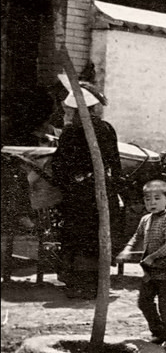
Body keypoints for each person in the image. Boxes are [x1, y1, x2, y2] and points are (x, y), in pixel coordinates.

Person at [50, 81, 123, 299]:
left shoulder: (71, 132)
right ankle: (94, 284)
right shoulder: (106, 128)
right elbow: (115, 165)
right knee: (95, 235)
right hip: (100, 192)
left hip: (78, 195)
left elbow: (59, 167)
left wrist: (70, 183)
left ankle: (77, 284)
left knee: (78, 235)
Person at [116, 180, 166, 347]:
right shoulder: (145, 219)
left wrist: (154, 256)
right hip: (149, 272)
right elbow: (136, 237)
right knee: (144, 302)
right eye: (147, 199)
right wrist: (126, 249)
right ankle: (159, 332)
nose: (152, 203)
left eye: (157, 198)